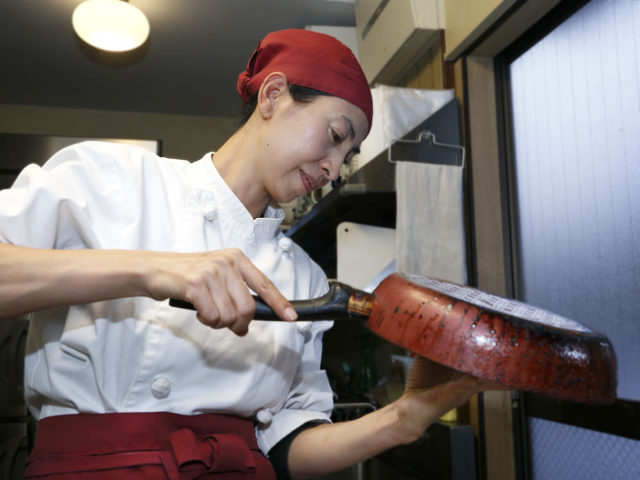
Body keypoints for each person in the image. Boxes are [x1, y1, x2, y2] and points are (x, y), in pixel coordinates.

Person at [0, 29, 501, 479]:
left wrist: (403, 419)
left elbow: (286, 446)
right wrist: (153, 269)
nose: (333, 168)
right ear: (274, 95)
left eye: (346, 159)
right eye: (334, 136)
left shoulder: (305, 281)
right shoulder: (113, 178)